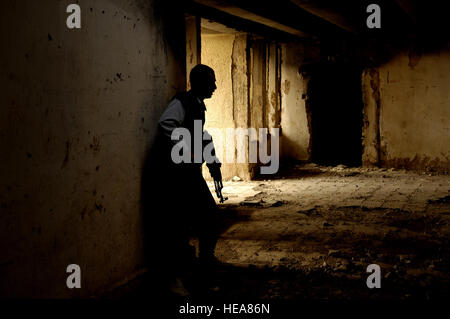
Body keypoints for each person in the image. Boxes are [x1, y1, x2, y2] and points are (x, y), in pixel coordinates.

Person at [150, 64, 223, 295]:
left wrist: (212, 160)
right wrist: (186, 149)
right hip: (176, 175)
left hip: (189, 173)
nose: (215, 86)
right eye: (211, 82)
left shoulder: (198, 105)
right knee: (177, 226)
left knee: (208, 215)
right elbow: (166, 124)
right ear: (199, 82)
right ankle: (173, 280)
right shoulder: (182, 102)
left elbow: (201, 134)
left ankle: (204, 261)